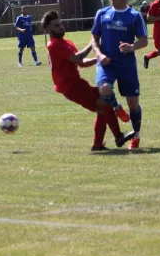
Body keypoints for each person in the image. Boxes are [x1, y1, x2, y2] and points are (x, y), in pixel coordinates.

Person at [42, 11, 135, 151]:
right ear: (48, 30)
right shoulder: (53, 44)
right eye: (55, 26)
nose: (60, 27)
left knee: (102, 108)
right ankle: (118, 134)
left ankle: (98, 145)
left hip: (76, 83)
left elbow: (82, 63)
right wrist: (92, 43)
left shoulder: (65, 42)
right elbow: (77, 58)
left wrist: (99, 58)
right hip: (70, 86)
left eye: (60, 23)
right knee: (105, 102)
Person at [91, 0, 148, 150]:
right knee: (104, 88)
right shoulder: (102, 14)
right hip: (107, 63)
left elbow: (144, 40)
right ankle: (116, 107)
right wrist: (100, 55)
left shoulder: (134, 16)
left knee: (134, 104)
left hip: (127, 66)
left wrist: (131, 47)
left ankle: (136, 136)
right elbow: (94, 39)